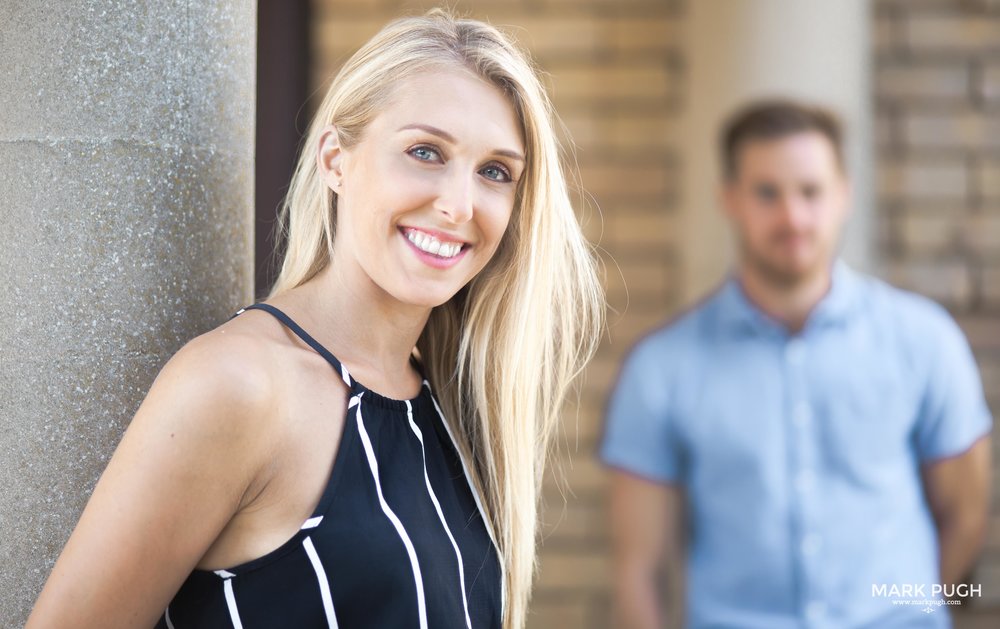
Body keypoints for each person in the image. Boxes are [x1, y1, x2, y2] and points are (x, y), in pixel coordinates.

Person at [27, 9, 603, 629]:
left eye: (495, 172)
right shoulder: (241, 385)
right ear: (335, 159)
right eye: (425, 151)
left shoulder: (448, 405)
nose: (459, 205)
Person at [600, 100, 992, 629]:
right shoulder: (661, 368)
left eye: (811, 192)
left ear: (844, 195)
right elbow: (639, 571)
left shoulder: (926, 341)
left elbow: (966, 517)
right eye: (767, 193)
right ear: (730, 199)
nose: (793, 217)